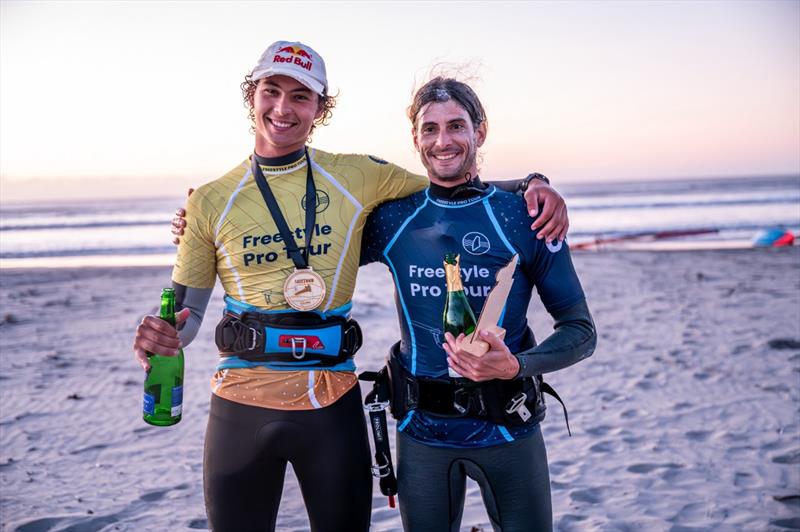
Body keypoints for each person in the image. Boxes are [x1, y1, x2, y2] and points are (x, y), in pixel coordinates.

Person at [137, 40, 569, 532]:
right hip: (239, 405)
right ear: (251, 96)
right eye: (271, 91)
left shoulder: (358, 176)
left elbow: (449, 185)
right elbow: (183, 323)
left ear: (320, 108)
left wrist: (532, 183)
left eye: (301, 96)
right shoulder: (211, 201)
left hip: (332, 403)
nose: (283, 108)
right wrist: (161, 336)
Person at [357, 77, 597, 531]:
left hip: (506, 427)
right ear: (415, 139)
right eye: (430, 129)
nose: (442, 141)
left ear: (479, 132)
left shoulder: (524, 216)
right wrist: (206, 219)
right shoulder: (392, 218)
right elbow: (316, 246)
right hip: (421, 431)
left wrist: (515, 366)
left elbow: (581, 332)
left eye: (456, 126)